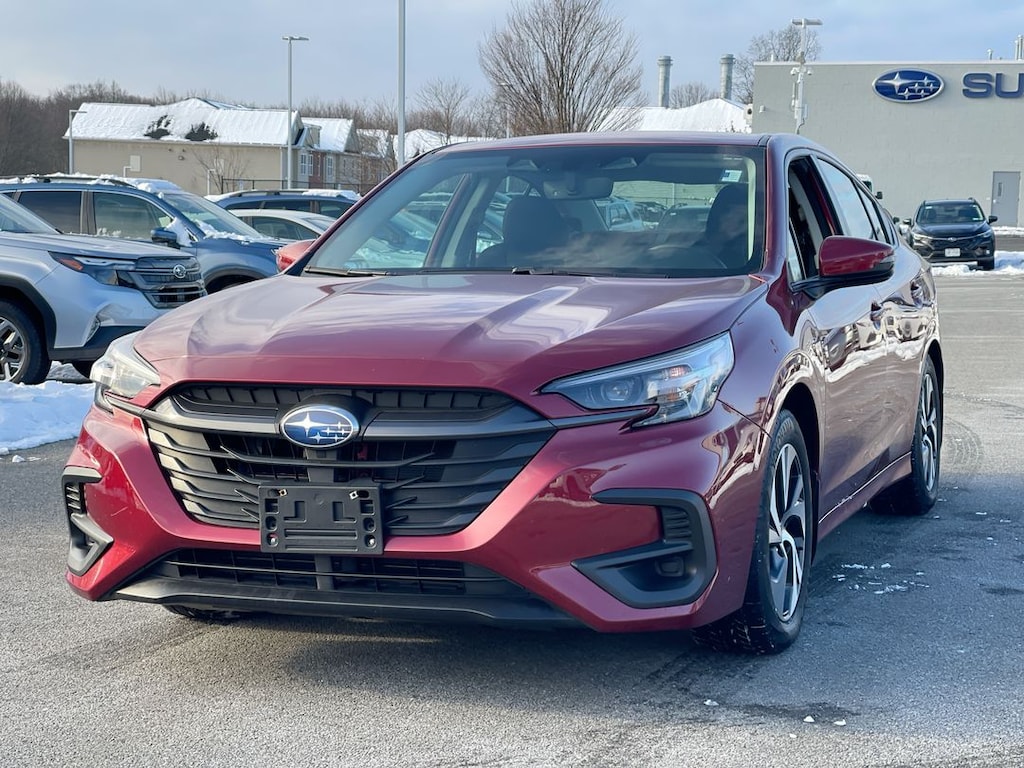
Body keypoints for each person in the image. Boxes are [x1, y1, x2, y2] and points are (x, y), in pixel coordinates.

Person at [696, 184, 750, 269]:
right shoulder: (694, 248)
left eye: (748, 219)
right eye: (741, 219)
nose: (746, 225)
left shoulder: (760, 253)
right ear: (719, 216)